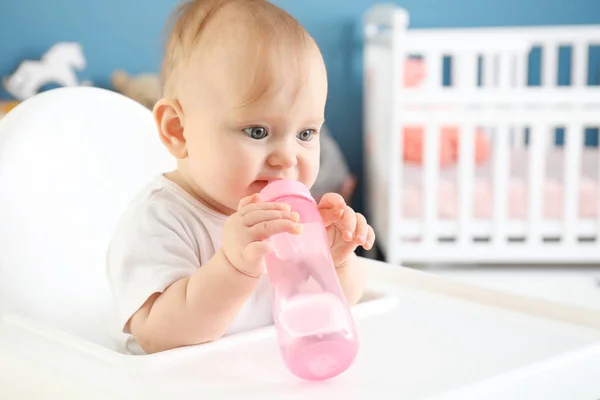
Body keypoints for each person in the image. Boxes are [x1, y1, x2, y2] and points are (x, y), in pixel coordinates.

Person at [106, 0, 375, 355]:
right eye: (258, 131)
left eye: (306, 134)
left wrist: (336, 260)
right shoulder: (160, 220)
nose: (287, 157)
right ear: (179, 130)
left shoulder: (292, 218)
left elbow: (332, 306)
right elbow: (158, 335)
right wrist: (233, 268)